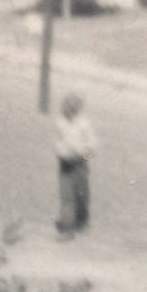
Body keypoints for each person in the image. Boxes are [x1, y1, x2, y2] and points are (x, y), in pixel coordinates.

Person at [54, 90, 98, 238]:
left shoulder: (84, 124)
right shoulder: (60, 122)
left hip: (80, 163)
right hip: (65, 163)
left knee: (81, 194)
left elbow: (93, 146)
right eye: (66, 108)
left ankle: (82, 221)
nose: (68, 111)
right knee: (66, 195)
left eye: (72, 109)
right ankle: (67, 228)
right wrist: (60, 152)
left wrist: (82, 155)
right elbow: (58, 141)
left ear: (77, 109)